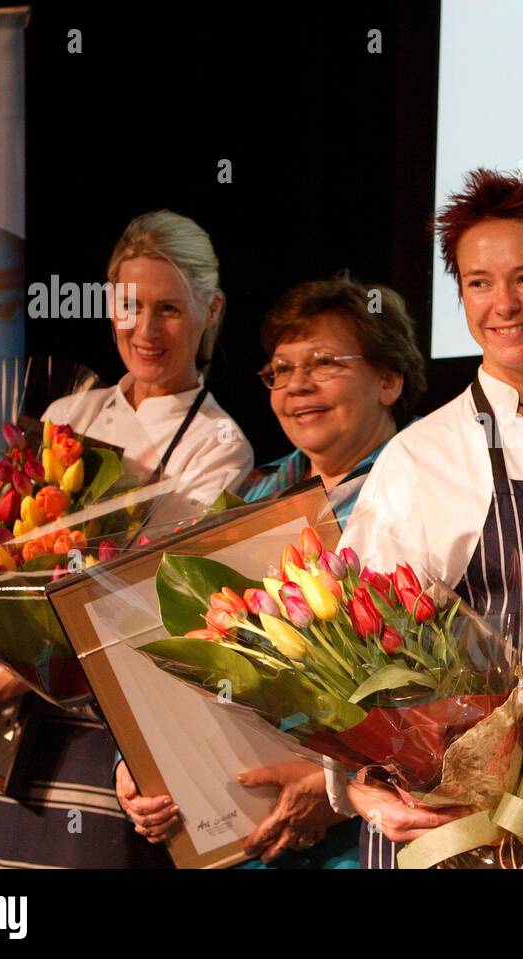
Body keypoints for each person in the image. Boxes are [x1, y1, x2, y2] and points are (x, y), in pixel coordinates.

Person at [0, 209, 254, 868]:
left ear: (212, 308)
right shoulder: (68, 412)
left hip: (104, 728)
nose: (144, 329)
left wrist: (15, 674)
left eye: (169, 308)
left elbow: (158, 606)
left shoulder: (219, 446)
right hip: (8, 738)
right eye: (129, 305)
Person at [115, 273, 427, 867]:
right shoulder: (250, 500)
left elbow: (447, 685)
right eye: (281, 370)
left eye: (323, 362)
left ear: (389, 379)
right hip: (244, 828)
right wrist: (138, 756)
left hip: (371, 838)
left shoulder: (423, 490)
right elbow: (185, 641)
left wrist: (335, 788)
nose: (297, 385)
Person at [335, 166, 523, 868]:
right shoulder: (422, 456)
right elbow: (354, 658)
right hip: (443, 821)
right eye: (479, 283)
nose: (503, 303)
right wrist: (363, 784)